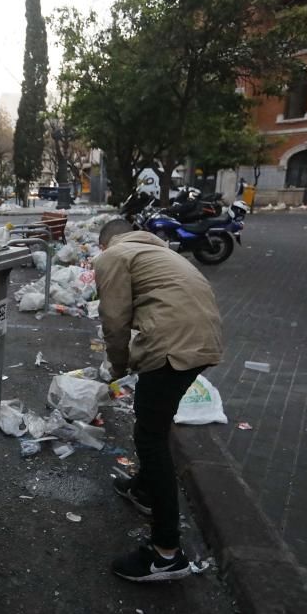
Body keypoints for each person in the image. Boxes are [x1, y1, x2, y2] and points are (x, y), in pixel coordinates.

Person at [93, 219, 223, 582]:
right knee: (155, 424)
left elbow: (114, 321)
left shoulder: (114, 255)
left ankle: (166, 553)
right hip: (204, 342)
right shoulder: (159, 251)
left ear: (106, 242)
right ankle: (143, 489)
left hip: (172, 347)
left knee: (150, 437)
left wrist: (117, 367)